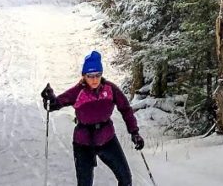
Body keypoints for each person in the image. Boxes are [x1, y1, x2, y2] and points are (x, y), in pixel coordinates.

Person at [41, 51, 145, 186]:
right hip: (83, 142)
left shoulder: (110, 89)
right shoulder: (77, 92)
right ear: (84, 76)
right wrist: (49, 98)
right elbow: (54, 105)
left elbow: (126, 109)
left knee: (126, 179)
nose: (95, 79)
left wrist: (134, 133)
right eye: (90, 76)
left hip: (107, 139)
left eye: (98, 75)